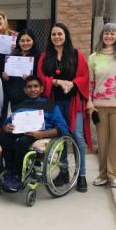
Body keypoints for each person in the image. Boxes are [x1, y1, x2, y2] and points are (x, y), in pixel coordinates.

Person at [37, 23, 92, 192]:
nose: (57, 37)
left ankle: (81, 174)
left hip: (74, 101)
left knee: (77, 135)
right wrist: (56, 81)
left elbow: (84, 76)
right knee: (60, 135)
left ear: (66, 35)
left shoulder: (76, 55)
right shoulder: (45, 56)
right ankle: (63, 172)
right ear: (50, 37)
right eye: (53, 34)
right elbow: (40, 76)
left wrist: (72, 83)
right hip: (53, 103)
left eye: (60, 34)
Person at [87, 23, 116, 188]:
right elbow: (90, 83)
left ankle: (114, 174)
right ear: (102, 36)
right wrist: (89, 102)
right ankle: (102, 174)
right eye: (106, 33)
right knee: (102, 142)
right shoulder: (93, 57)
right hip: (99, 106)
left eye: (112, 33)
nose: (109, 36)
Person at [0, 75, 69, 191]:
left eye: (36, 86)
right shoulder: (19, 106)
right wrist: (6, 127)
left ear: (41, 89)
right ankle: (9, 171)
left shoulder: (51, 106)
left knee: (22, 142)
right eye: (29, 87)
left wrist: (42, 134)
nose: (33, 89)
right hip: (20, 132)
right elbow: (7, 123)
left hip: (40, 135)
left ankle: (17, 175)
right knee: (5, 138)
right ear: (25, 90)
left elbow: (62, 128)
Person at [2, 28, 41, 115]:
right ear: (18, 42)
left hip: (31, 96)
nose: (25, 43)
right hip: (14, 97)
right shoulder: (11, 57)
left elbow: (40, 77)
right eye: (22, 40)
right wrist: (6, 77)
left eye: (28, 40)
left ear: (33, 41)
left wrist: (31, 78)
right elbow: (8, 80)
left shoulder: (39, 57)